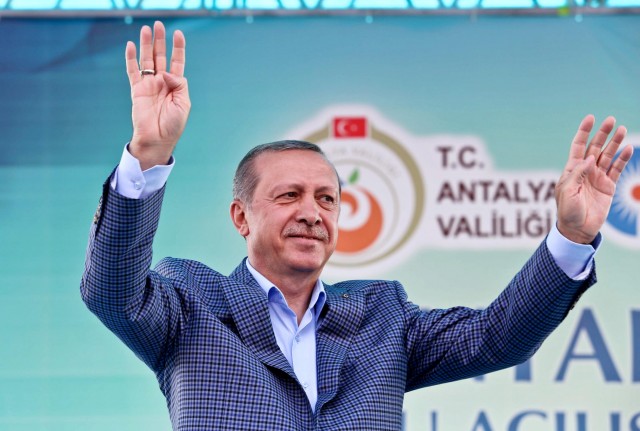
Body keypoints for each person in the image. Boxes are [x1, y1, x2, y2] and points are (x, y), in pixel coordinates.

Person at [81, 21, 633, 430]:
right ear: (241, 216)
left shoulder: (382, 318)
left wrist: (571, 237)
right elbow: (111, 292)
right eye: (289, 195)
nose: (312, 212)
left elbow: (496, 337)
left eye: (326, 198)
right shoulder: (190, 305)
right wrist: (148, 156)